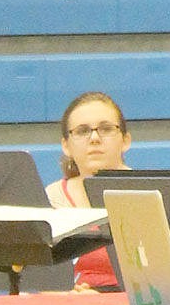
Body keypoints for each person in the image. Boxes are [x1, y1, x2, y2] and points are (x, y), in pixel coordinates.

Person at [45, 90, 131, 290]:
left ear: (125, 140)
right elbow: (43, 278)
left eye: (106, 128)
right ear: (66, 146)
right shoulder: (51, 197)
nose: (94, 138)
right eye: (82, 131)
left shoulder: (151, 193)